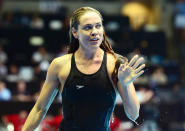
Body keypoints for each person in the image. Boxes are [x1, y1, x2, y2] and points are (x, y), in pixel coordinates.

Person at [22, 7, 145, 131]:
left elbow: (133, 115)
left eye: (98, 26)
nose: (95, 31)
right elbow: (39, 109)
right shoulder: (60, 65)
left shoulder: (117, 64)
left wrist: (125, 84)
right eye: (88, 27)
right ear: (75, 32)